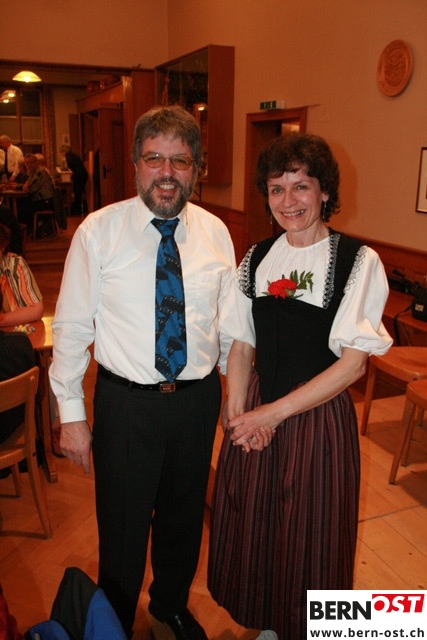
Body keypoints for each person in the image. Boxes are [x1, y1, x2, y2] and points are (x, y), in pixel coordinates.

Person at [49, 105, 243, 639]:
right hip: (126, 404)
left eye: (180, 161)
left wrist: (235, 399)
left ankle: (170, 606)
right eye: (154, 158)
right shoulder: (98, 232)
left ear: (196, 167)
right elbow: (71, 327)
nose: (166, 172)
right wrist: (71, 415)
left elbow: (229, 328)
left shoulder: (216, 233)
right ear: (136, 163)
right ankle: (112, 620)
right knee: (123, 524)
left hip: (196, 400)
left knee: (184, 517)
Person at [207, 133, 393, 640]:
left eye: (301, 186)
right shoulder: (257, 257)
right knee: (256, 523)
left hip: (316, 418)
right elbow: (241, 343)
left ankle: (309, 629)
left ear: (324, 191)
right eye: (276, 189)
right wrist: (238, 414)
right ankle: (270, 624)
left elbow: (352, 366)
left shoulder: (357, 261)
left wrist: (271, 414)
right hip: (257, 408)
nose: (288, 201)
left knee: (311, 534)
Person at [0, 222, 44, 327]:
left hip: (14, 333)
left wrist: (2, 320)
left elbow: (36, 309)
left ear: (2, 247)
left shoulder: (15, 265)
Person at [20, 153, 55, 235]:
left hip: (46, 202)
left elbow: (31, 188)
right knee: (22, 204)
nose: (29, 165)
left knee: (23, 207)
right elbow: (27, 184)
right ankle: (29, 230)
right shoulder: (32, 173)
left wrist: (24, 187)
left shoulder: (40, 172)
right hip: (40, 200)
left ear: (36, 163)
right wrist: (23, 186)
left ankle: (31, 231)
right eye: (27, 163)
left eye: (31, 163)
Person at [59, 144, 88, 214]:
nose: (61, 154)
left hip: (79, 175)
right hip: (83, 174)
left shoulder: (68, 157)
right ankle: (80, 209)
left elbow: (71, 168)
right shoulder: (73, 155)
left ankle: (77, 210)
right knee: (79, 192)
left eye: (61, 152)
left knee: (77, 192)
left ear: (64, 151)